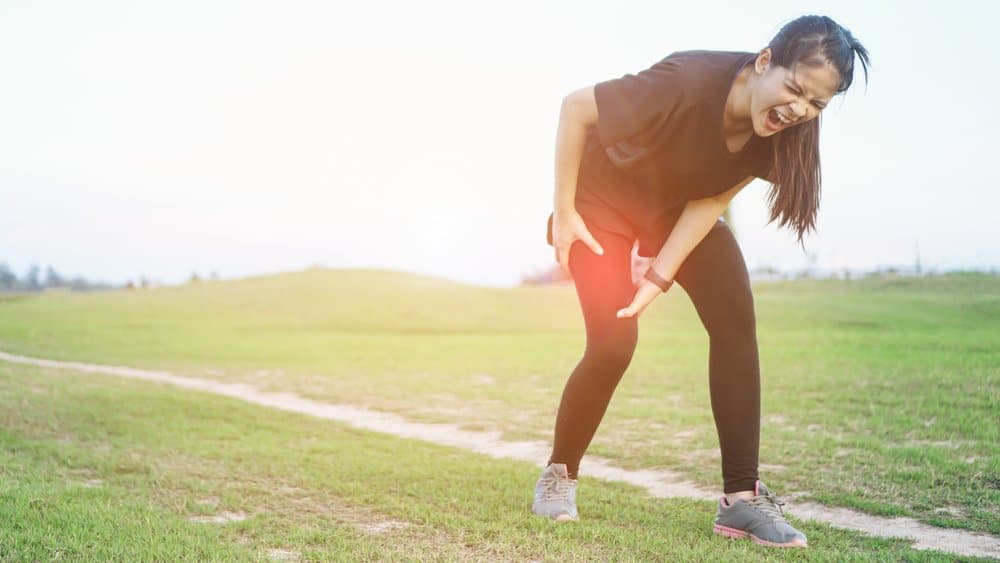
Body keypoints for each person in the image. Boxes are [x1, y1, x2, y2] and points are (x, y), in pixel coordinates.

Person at [531, 14, 870, 549]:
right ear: (764, 61)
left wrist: (659, 276)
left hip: (673, 209)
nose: (799, 109)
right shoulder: (687, 81)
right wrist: (564, 210)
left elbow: (710, 200)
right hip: (601, 203)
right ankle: (558, 475)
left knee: (735, 315)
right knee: (614, 342)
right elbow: (575, 107)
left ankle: (742, 500)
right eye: (795, 89)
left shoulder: (782, 131)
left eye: (817, 104)